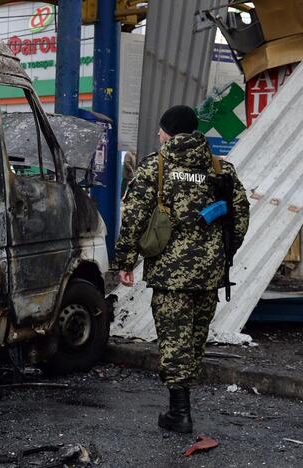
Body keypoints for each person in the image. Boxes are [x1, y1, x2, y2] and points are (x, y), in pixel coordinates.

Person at [115, 105, 249, 433]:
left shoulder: (155, 166)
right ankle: (182, 407)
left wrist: (125, 261)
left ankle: (180, 413)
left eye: (161, 129)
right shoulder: (221, 168)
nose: (158, 135)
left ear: (170, 131)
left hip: (170, 274)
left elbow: (133, 217)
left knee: (173, 340)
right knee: (194, 340)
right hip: (209, 274)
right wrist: (221, 253)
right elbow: (241, 218)